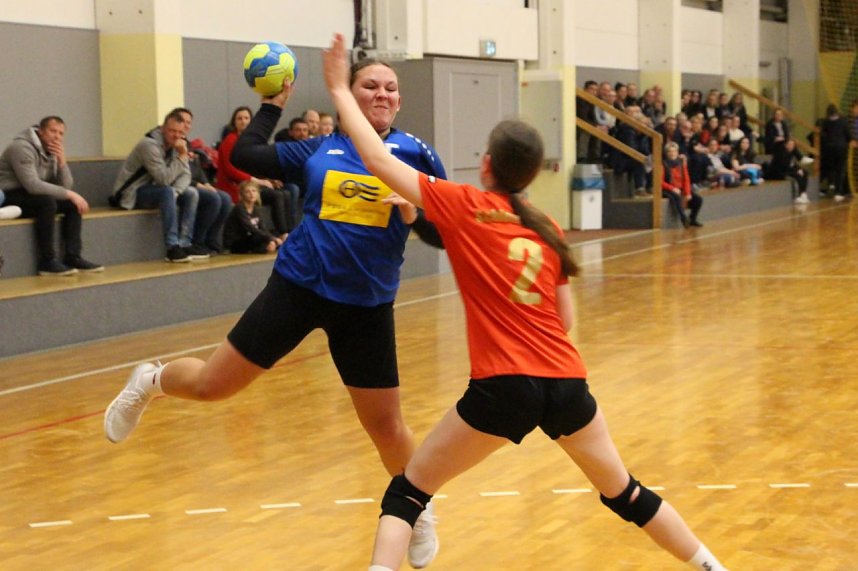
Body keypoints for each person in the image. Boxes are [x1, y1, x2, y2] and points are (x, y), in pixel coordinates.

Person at [320, 33, 728, 571]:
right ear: (531, 173)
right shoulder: (547, 227)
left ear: (485, 163)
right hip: (567, 382)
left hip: (503, 384)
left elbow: (373, 155)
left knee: (408, 495)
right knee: (625, 493)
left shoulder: (462, 203)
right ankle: (711, 565)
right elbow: (565, 321)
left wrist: (336, 86)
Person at [104, 50, 448, 570]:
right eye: (370, 86)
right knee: (213, 386)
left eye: (391, 88)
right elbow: (244, 154)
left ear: (399, 100)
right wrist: (272, 106)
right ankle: (150, 381)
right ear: (349, 96)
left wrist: (414, 211)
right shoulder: (316, 150)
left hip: (366, 305)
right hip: (298, 287)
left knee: (386, 427)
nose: (382, 94)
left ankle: (415, 511)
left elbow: (443, 234)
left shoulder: (417, 155)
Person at [0, 116, 103, 275]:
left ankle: (73, 256)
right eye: (52, 131)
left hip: (32, 195)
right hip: (9, 195)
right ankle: (46, 261)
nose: (57, 136)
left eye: (61, 133)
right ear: (41, 131)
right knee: (47, 203)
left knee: (72, 204)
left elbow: (64, 186)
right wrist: (70, 194)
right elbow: (32, 185)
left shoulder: (52, 151)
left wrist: (62, 162)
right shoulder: (21, 147)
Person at [112, 109, 208, 263]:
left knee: (191, 193)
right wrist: (183, 156)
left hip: (158, 188)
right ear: (163, 128)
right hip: (131, 193)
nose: (176, 136)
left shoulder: (177, 144)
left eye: (179, 132)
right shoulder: (149, 145)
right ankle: (172, 247)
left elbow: (186, 175)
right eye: (171, 131)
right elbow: (164, 178)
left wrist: (175, 192)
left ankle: (184, 243)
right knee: (166, 191)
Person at [217, 106, 295, 234]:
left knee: (286, 193)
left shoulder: (253, 141)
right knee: (277, 195)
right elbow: (229, 169)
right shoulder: (230, 140)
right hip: (236, 187)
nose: (243, 121)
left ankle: (290, 232)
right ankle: (283, 233)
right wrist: (258, 181)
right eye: (239, 118)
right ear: (234, 122)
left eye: (246, 118)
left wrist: (269, 179)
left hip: (252, 184)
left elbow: (257, 165)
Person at [175, 108, 232, 254]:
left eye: (189, 122)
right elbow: (175, 174)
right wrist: (198, 185)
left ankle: (211, 239)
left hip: (196, 183)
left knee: (225, 198)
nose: (186, 125)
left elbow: (197, 170)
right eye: (182, 121)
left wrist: (206, 183)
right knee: (212, 198)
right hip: (181, 186)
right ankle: (198, 240)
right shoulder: (173, 144)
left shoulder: (188, 144)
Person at [223, 180, 283, 254]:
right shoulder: (239, 208)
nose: (251, 194)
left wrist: (272, 238)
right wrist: (271, 238)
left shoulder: (256, 209)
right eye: (247, 192)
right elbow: (249, 227)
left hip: (249, 237)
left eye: (254, 191)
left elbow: (262, 227)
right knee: (264, 240)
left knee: (271, 241)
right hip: (236, 241)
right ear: (242, 195)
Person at [662, 142, 703, 227]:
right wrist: (672, 188)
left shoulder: (681, 164)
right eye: (670, 151)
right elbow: (660, 182)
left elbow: (686, 179)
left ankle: (692, 218)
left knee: (698, 199)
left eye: (674, 151)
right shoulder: (663, 165)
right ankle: (683, 217)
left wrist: (687, 193)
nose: (672, 153)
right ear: (666, 153)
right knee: (676, 197)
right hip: (668, 189)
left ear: (677, 153)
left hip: (680, 188)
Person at [818, 104, 852, 202]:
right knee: (840, 170)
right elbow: (848, 134)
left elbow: (822, 134)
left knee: (830, 168)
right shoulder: (843, 121)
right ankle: (838, 191)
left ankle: (831, 184)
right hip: (841, 148)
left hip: (829, 149)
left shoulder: (825, 122)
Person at [766, 139, 809, 204]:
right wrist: (796, 170)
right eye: (790, 144)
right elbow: (785, 166)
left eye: (793, 145)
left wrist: (799, 169)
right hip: (778, 172)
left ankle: (803, 194)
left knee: (804, 172)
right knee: (797, 175)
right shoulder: (781, 153)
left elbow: (792, 164)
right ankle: (801, 194)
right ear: (786, 145)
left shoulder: (791, 153)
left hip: (787, 170)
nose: (791, 146)